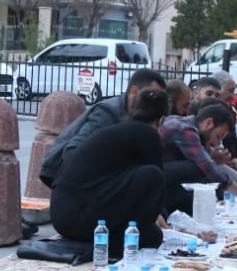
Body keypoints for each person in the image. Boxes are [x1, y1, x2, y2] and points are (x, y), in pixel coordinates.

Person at [49, 89, 169, 260]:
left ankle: (119, 238)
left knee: (152, 236)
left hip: (63, 216)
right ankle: (118, 244)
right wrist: (160, 216)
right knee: (153, 178)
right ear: (162, 120)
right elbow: (158, 185)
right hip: (80, 217)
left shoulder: (117, 131)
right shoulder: (147, 134)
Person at [38, 68, 167, 188]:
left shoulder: (138, 117)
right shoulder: (107, 112)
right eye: (150, 95)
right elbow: (73, 153)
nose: (154, 101)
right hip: (65, 176)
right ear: (134, 92)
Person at [159, 102, 237, 215]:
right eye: (218, 136)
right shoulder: (185, 129)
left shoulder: (194, 128)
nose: (215, 144)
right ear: (208, 123)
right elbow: (207, 166)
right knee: (200, 170)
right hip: (154, 176)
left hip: (165, 175)